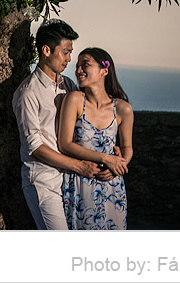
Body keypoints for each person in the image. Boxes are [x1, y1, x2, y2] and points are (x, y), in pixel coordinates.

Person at [12, 19, 112, 230]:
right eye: (65, 52)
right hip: (43, 180)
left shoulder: (68, 85)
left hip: (70, 181)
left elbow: (87, 123)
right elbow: (35, 147)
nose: (69, 59)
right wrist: (78, 165)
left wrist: (110, 149)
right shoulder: (28, 92)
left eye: (70, 52)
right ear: (46, 50)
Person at [58, 48, 134, 230]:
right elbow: (65, 144)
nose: (78, 70)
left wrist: (118, 167)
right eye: (77, 66)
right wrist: (106, 158)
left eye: (85, 65)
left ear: (104, 71)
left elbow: (127, 147)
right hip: (80, 182)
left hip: (112, 186)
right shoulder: (74, 100)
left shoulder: (123, 109)